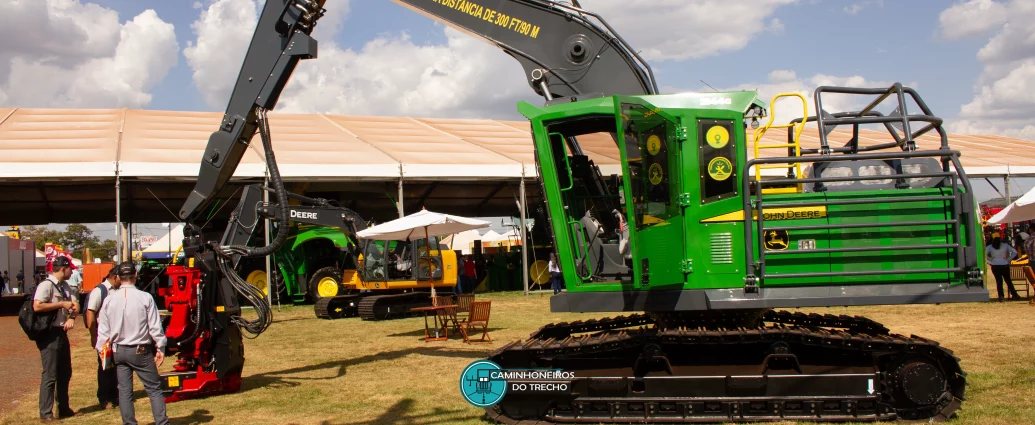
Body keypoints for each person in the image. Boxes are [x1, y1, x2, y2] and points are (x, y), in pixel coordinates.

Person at [96, 262, 169, 425]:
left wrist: (101, 351)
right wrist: (161, 346)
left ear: (118, 277)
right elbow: (155, 326)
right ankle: (162, 422)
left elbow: (103, 330)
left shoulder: (109, 300)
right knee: (154, 389)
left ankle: (129, 423)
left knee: (124, 391)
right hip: (140, 350)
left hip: (119, 350)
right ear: (135, 275)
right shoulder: (145, 298)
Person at [32, 256, 79, 422]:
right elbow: (37, 306)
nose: (72, 271)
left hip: (61, 333)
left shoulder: (64, 286)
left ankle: (64, 408)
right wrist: (61, 305)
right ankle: (45, 413)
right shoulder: (46, 285)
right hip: (49, 334)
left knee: (65, 372)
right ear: (63, 269)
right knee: (50, 374)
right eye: (70, 269)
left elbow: (75, 304)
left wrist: (72, 316)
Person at [86, 267, 120, 409]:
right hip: (103, 336)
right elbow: (90, 312)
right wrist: (94, 336)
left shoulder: (117, 291)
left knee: (115, 367)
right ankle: (104, 398)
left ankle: (114, 396)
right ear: (116, 277)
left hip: (116, 335)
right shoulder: (100, 291)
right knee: (105, 367)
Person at [986, 233, 1020, 301]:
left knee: (999, 281)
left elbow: (984, 254)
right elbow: (1015, 252)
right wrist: (1008, 259)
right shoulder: (1005, 245)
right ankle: (1014, 294)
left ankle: (1001, 296)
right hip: (1004, 264)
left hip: (995, 265)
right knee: (1008, 280)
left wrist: (990, 261)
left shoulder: (990, 247)